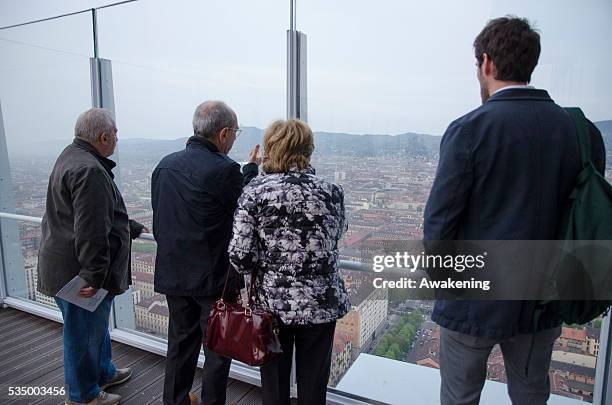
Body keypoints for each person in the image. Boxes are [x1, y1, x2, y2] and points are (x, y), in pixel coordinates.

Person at [423, 16, 606, 404]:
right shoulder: (579, 130)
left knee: (459, 397)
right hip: (542, 300)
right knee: (530, 393)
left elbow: (438, 226)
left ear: (486, 63)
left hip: (473, 302)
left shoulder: (470, 129)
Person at [228, 119, 350, 405]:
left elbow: (240, 257)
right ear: (308, 149)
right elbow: (337, 235)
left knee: (274, 385)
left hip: (272, 308)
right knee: (314, 386)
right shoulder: (332, 191)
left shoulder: (255, 192)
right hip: (321, 304)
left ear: (272, 148)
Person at [152, 101, 259, 405]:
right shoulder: (224, 170)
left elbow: (161, 218)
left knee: (180, 346)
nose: (235, 138)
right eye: (235, 133)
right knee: (217, 350)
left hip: (173, 272)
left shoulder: (164, 165)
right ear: (223, 133)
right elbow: (246, 210)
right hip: (213, 278)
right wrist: (251, 169)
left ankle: (175, 400)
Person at [37, 108, 146, 405]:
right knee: (81, 334)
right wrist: (93, 276)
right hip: (78, 270)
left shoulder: (72, 156)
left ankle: (103, 372)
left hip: (63, 262)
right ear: (104, 136)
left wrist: (127, 226)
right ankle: (82, 396)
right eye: (116, 135)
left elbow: (85, 212)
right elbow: (91, 229)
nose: (117, 140)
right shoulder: (90, 170)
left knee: (93, 328)